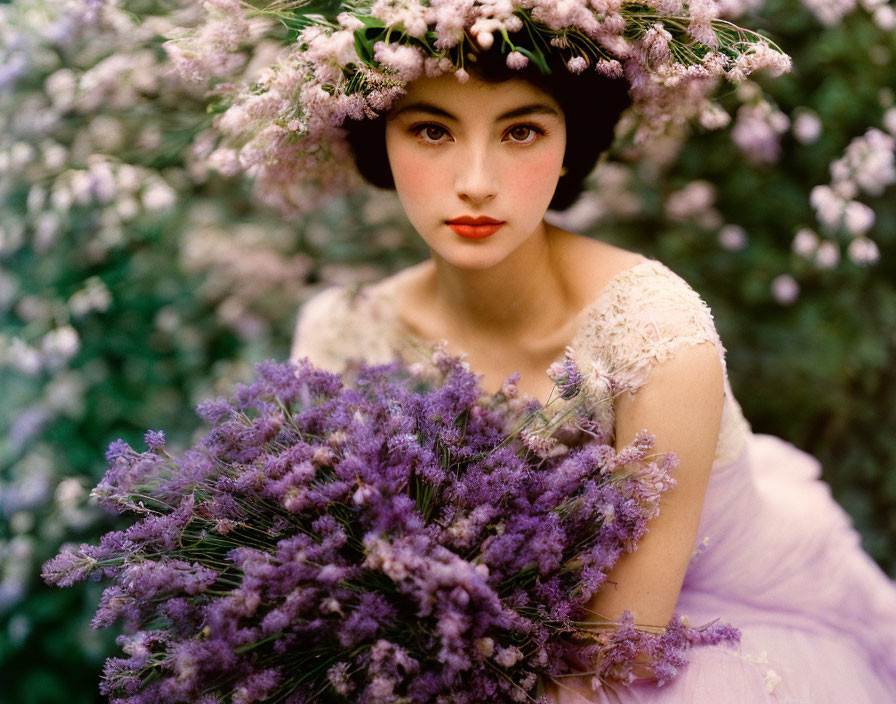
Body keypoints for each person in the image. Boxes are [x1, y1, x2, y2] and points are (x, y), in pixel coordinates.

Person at [271, 10, 896, 704]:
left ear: (571, 143)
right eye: (431, 130)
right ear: (379, 137)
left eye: (521, 131)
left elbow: (614, 657)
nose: (476, 181)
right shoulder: (341, 335)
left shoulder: (656, 336)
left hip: (700, 622)